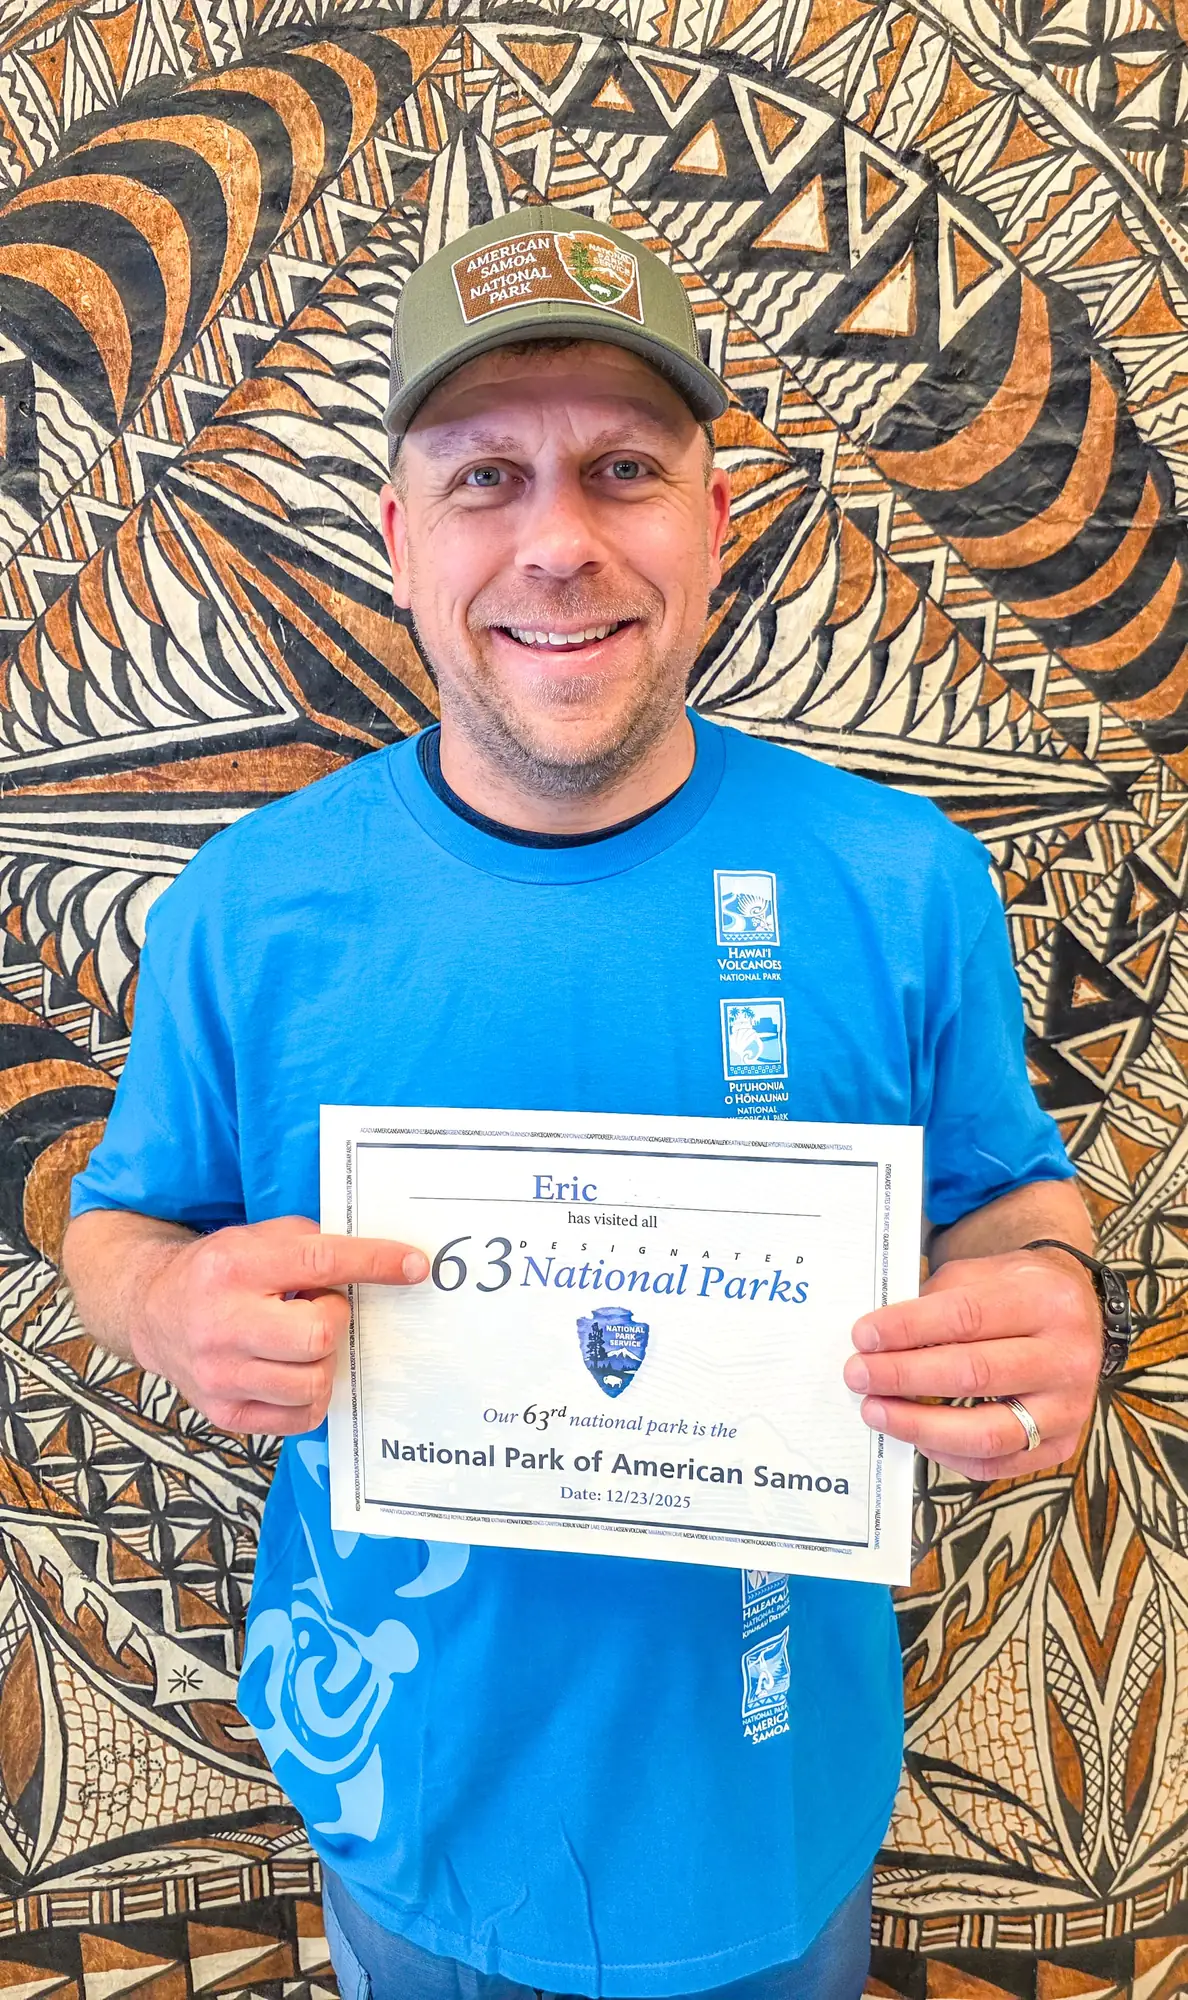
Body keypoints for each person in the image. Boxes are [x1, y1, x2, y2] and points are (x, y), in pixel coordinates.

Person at [62, 206, 1105, 2000]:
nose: (558, 542)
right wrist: (166, 1305)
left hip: (776, 1806)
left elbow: (1008, 1194)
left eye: (625, 469)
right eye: (485, 479)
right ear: (398, 541)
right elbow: (120, 1223)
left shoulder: (901, 876)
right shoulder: (248, 905)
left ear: (717, 520)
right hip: (403, 1801)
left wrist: (1053, 1292)